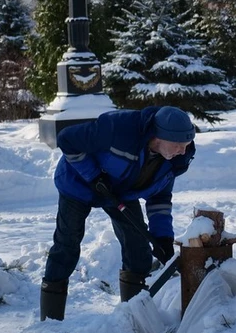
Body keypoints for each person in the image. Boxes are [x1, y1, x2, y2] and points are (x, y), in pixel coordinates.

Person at [40, 105, 196, 321]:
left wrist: (163, 237)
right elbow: (67, 139)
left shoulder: (174, 162)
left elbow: (159, 198)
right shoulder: (118, 129)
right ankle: (50, 321)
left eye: (187, 145)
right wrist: (94, 176)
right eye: (178, 145)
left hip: (120, 193)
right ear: (158, 137)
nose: (183, 150)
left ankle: (132, 318)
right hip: (78, 183)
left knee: (137, 247)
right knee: (67, 243)